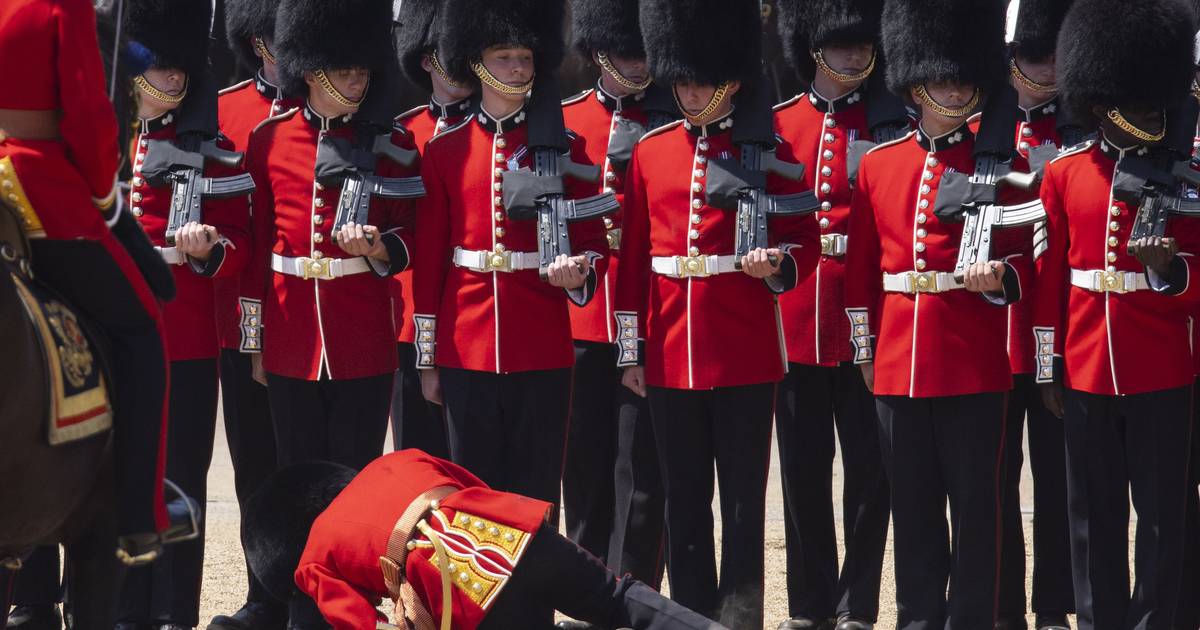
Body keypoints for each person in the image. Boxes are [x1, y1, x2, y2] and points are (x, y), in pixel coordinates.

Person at [617, 1, 820, 626]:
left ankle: (739, 616)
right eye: (680, 80)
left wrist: (776, 264)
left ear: (730, 80)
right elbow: (631, 263)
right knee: (684, 498)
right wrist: (631, 350)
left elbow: (804, 241)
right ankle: (691, 614)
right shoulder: (651, 151)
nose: (688, 92)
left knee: (739, 501)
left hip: (745, 346)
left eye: (699, 81)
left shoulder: (769, 146)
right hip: (671, 346)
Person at [843, 0, 1027, 627]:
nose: (954, 89)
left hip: (972, 362)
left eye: (963, 79)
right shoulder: (878, 164)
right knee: (914, 511)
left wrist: (1000, 278)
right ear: (916, 81)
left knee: (978, 513)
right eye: (943, 78)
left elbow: (1030, 257)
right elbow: (862, 274)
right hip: (898, 363)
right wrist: (865, 351)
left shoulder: (1002, 166)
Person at [0, 0, 186, 568]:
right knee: (141, 327)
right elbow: (85, 109)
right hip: (40, 188)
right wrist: (106, 197)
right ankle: (139, 512)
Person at [1034, 0, 1200, 627]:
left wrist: (1170, 270)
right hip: (1084, 365)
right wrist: (1048, 365)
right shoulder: (1067, 173)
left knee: (1162, 512)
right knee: (1091, 513)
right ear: (1104, 103)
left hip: (1161, 364)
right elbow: (1052, 277)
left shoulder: (1184, 175)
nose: (1152, 114)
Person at [412, 0, 608, 518]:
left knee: (535, 496)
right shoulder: (445, 150)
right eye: (504, 57)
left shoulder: (566, 146)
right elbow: (430, 263)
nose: (519, 68)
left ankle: (531, 604)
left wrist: (579, 270)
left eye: (524, 56)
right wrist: (428, 358)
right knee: (472, 500)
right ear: (476, 62)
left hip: (540, 341)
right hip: (465, 346)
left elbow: (593, 237)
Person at [241, 451, 727, 630]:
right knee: (614, 596)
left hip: (465, 595)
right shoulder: (395, 460)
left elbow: (356, 621)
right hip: (511, 531)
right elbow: (469, 484)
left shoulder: (314, 556)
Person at [115, 0, 253, 627]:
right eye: (162, 69)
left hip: (184, 335)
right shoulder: (106, 136)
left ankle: (174, 612)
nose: (174, 80)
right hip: (112, 329)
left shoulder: (209, 144)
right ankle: (117, 607)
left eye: (181, 70)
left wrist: (206, 252)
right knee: (113, 474)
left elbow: (237, 239)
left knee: (179, 477)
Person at [242, 0, 417, 473]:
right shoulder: (269, 139)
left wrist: (382, 246)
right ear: (313, 73)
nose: (358, 82)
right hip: (289, 334)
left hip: (360, 333)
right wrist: (255, 340)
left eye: (362, 71)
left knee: (355, 474)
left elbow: (412, 227)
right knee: (296, 472)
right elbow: (258, 245)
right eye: (345, 72)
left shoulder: (392, 143)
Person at [771, 1, 891, 627]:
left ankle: (859, 605)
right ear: (813, 47)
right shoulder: (777, 123)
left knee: (870, 473)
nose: (852, 56)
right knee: (803, 472)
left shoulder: (891, 124)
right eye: (839, 46)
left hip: (865, 312)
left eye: (858, 45)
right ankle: (808, 604)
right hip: (795, 315)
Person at [559, 0, 668, 598]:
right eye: (624, 50)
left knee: (642, 473)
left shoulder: (673, 124)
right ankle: (584, 585)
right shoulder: (566, 119)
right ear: (599, 49)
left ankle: (636, 592)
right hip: (579, 317)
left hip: (645, 315)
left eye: (642, 50)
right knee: (585, 470)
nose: (635, 61)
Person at [207, 1, 301, 628]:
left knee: (306, 467)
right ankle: (261, 594)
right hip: (236, 319)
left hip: (301, 317)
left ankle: (309, 595)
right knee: (252, 470)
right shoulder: (224, 110)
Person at [993, 2, 1077, 629]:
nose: (1042, 68)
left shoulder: (1077, 132)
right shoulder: (984, 129)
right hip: (996, 331)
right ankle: (1001, 606)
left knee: (1057, 480)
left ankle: (1053, 604)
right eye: (1030, 55)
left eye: (1051, 55)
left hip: (1059, 329)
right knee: (993, 484)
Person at [388, 0, 472, 460]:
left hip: (467, 315)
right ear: (426, 59)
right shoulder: (404, 132)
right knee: (415, 460)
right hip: (408, 320)